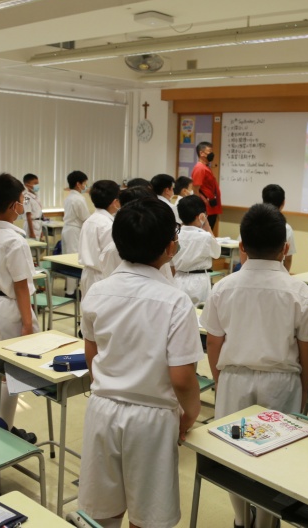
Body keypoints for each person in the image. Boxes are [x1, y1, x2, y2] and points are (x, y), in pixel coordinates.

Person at [78, 198, 203, 528]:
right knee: (148, 516)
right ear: (169, 247)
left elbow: (92, 354)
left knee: (101, 511)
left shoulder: (97, 292)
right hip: (152, 417)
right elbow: (182, 378)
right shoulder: (176, 301)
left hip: (103, 408)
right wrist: (190, 415)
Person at [202, 203, 308, 528]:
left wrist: (220, 380)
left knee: (234, 453)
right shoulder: (299, 291)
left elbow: (213, 343)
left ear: (242, 246)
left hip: (234, 378)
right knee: (275, 456)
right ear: (285, 248)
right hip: (281, 382)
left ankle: (241, 519)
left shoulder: (223, 287)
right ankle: (266, 523)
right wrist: (303, 389)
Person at [0, 173, 38, 442]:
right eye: (23, 199)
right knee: (10, 374)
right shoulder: (15, 240)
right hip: (10, 308)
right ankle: (6, 435)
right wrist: (27, 323)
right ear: (15, 205)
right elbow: (21, 286)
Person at [172, 195, 221, 305]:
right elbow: (217, 253)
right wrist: (208, 227)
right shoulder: (205, 236)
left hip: (178, 278)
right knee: (198, 312)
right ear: (201, 216)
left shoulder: (175, 234)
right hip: (199, 282)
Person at [78, 179, 120, 295]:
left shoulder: (90, 220)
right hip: (102, 276)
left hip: (89, 274)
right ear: (115, 202)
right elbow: (111, 256)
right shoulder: (107, 225)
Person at [62, 170, 89, 297]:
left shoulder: (69, 197)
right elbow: (85, 217)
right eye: (84, 183)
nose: (85, 186)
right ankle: (70, 291)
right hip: (74, 230)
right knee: (73, 259)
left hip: (68, 229)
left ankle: (69, 287)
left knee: (67, 257)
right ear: (78, 184)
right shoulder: (79, 199)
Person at [191, 141, 222, 230]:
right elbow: (196, 189)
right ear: (201, 153)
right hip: (206, 209)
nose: (212, 154)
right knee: (205, 233)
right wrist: (201, 207)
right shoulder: (200, 168)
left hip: (211, 207)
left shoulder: (206, 167)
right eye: (209, 151)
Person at [23, 173, 43, 240]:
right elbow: (28, 215)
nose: (37, 186)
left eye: (37, 183)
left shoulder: (36, 197)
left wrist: (41, 231)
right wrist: (31, 232)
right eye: (35, 183)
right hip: (31, 226)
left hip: (38, 224)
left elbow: (39, 214)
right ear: (27, 185)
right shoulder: (26, 198)